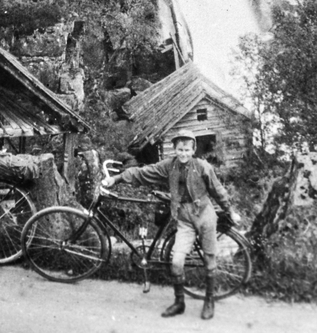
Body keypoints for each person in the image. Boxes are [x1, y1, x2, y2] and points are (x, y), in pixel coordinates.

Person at [100, 130, 240, 320]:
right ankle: (179, 302)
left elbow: (218, 190)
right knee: (176, 262)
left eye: (187, 150)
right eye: (180, 149)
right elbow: (141, 173)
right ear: (175, 149)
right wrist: (115, 179)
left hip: (205, 215)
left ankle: (209, 301)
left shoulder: (202, 167)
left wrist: (230, 210)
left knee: (209, 260)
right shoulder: (169, 166)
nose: (183, 154)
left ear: (193, 150)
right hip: (184, 219)